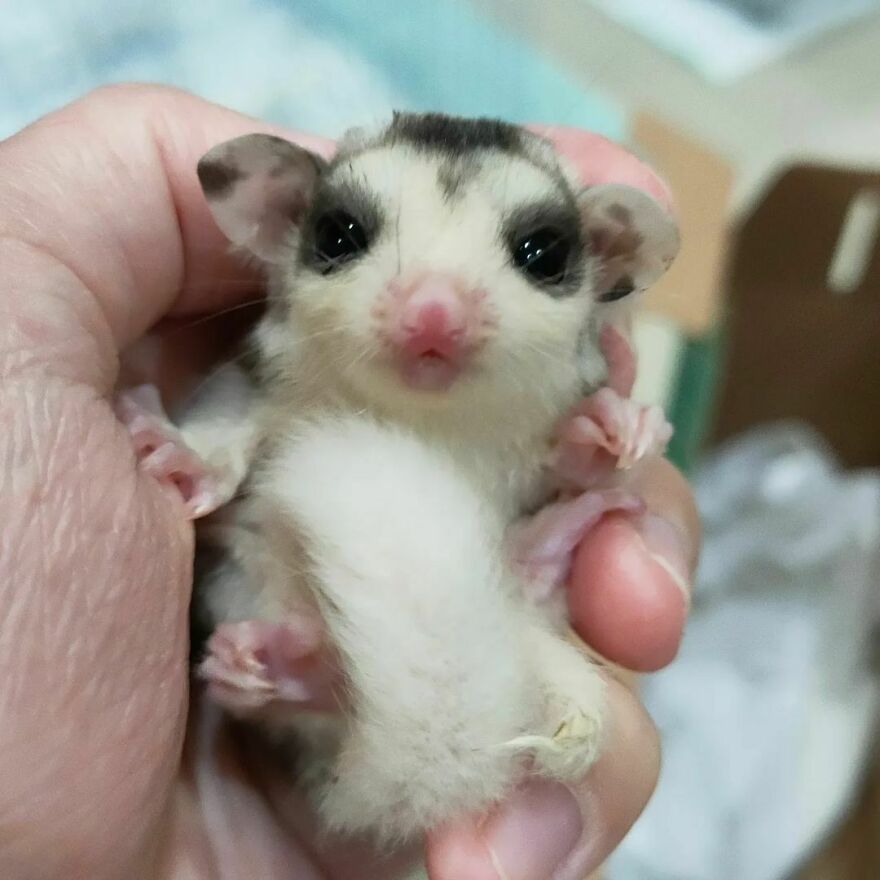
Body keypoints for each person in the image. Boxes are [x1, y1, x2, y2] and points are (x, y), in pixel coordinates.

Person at [0, 84, 699, 880]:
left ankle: (332, 675)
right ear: (279, 219)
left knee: (557, 593)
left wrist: (595, 450)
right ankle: (316, 673)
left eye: (534, 255)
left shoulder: (563, 396)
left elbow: (550, 471)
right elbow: (249, 413)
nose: (435, 313)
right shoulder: (293, 357)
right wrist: (208, 453)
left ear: (608, 263)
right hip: (284, 647)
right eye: (348, 235)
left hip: (438, 638)